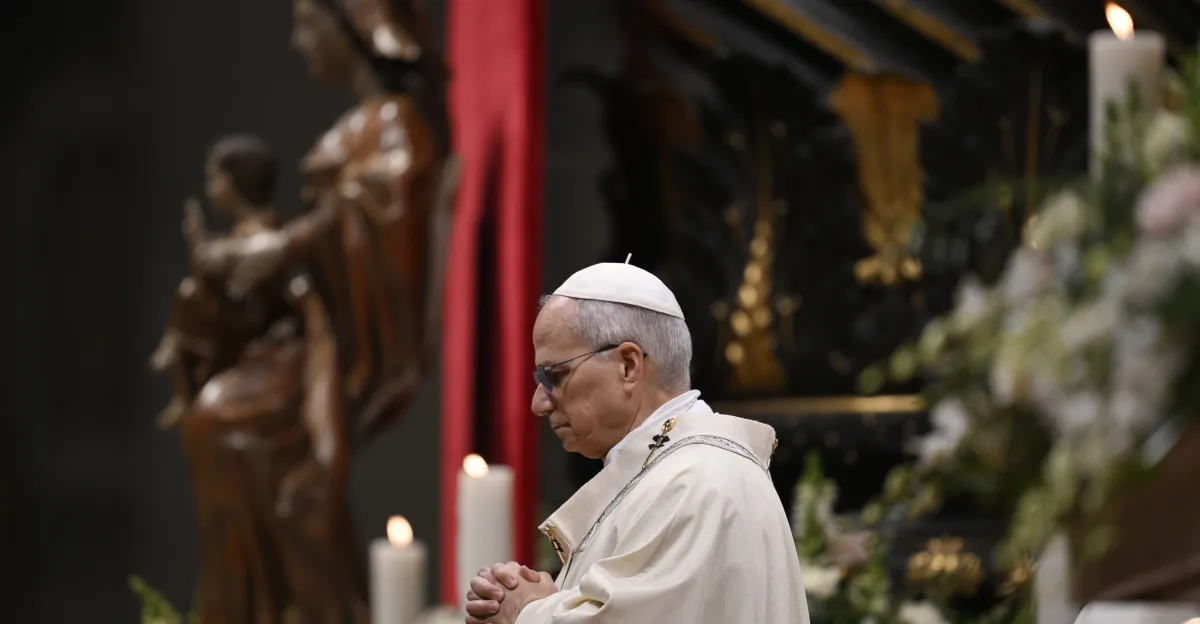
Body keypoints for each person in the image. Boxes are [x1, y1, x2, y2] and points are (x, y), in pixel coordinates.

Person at [465, 261, 810, 624]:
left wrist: (526, 611)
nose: (539, 403)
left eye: (555, 375)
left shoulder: (697, 482)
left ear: (628, 365)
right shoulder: (672, 473)